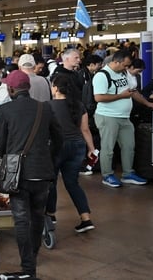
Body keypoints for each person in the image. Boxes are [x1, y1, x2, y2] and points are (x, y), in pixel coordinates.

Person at [0, 70, 62, 278]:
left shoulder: (4, 110)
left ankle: (28, 267)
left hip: (18, 174)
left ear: (10, 89)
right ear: (29, 88)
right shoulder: (45, 108)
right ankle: (32, 255)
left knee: (22, 219)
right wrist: (46, 156)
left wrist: (10, 155)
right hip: (42, 172)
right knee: (38, 215)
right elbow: (60, 139)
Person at [45, 74, 96, 233]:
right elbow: (85, 130)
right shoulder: (78, 105)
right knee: (72, 183)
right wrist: (91, 150)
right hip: (77, 146)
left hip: (56, 146)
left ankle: (51, 215)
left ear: (55, 88)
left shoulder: (47, 106)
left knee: (51, 182)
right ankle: (86, 218)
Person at [93, 50, 153, 188]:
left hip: (125, 117)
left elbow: (132, 91)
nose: (126, 68)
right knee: (108, 148)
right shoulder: (102, 76)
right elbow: (99, 97)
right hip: (108, 116)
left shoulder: (123, 73)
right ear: (116, 62)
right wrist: (121, 96)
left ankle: (128, 173)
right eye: (125, 65)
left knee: (129, 146)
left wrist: (147, 103)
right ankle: (107, 175)